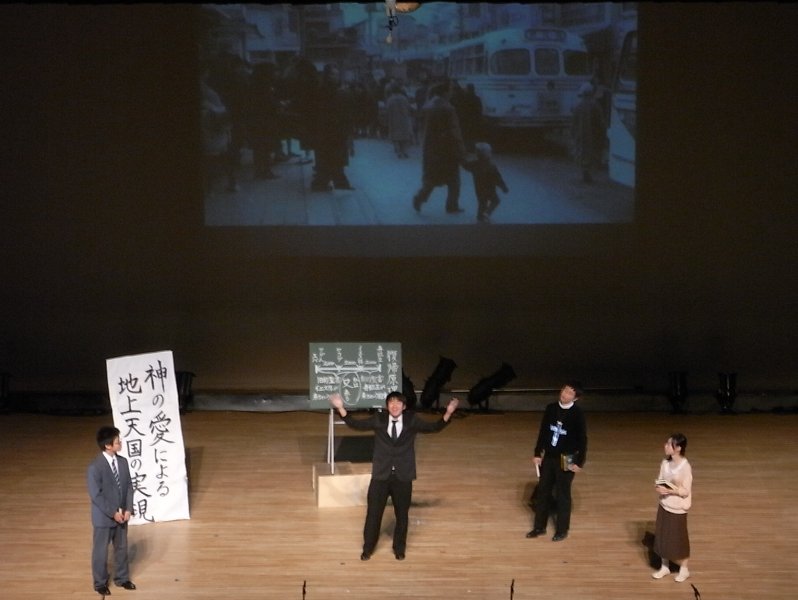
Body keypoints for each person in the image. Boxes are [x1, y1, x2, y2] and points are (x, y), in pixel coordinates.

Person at [329, 391, 459, 560]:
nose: (394, 405)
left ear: (404, 407)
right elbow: (357, 424)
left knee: (402, 515)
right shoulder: (379, 419)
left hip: (402, 476)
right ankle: (368, 548)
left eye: (398, 403)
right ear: (387, 406)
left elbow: (433, 427)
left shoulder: (411, 420)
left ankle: (399, 548)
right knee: (373, 514)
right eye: (391, 402)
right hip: (381, 476)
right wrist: (341, 408)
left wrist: (448, 412)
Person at [527, 382, 588, 542]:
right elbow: (543, 431)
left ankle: (562, 529)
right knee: (543, 491)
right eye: (564, 391)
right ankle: (539, 527)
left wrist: (579, 462)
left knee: (563, 494)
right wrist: (537, 452)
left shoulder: (577, 414)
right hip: (550, 456)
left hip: (567, 457)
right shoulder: (551, 408)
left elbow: (582, 439)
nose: (564, 394)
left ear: (576, 398)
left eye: (569, 393)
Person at [87, 426, 136, 595]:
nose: (120, 443)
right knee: (101, 552)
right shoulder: (95, 467)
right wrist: (113, 513)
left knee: (121, 548)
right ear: (108, 445)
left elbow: (129, 486)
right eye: (117, 441)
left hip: (122, 515)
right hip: (104, 518)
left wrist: (128, 509)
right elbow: (96, 495)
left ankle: (122, 578)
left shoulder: (122, 462)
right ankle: (100, 582)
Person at [412, 81, 466, 214]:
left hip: (430, 147)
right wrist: (461, 149)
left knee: (432, 177)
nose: (452, 93)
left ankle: (420, 197)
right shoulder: (448, 108)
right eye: (450, 90)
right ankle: (452, 206)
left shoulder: (428, 106)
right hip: (447, 148)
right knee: (454, 179)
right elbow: (454, 131)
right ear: (445, 92)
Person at [651, 433, 692, 583]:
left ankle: (684, 569)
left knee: (679, 538)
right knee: (662, 536)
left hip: (678, 507)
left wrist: (670, 490)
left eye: (669, 444)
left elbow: (685, 491)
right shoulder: (665, 463)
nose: (666, 446)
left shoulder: (685, 467)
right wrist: (659, 487)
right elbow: (660, 480)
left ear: (678, 448)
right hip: (665, 504)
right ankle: (664, 566)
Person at [462, 142, 509, 224]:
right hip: (490, 189)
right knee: (495, 200)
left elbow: (465, 166)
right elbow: (497, 178)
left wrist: (463, 158)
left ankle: (480, 216)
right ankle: (486, 213)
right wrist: (503, 187)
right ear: (488, 154)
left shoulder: (474, 164)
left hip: (479, 189)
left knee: (482, 203)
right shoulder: (491, 166)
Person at [570, 82, 606, 184]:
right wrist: (603, 134)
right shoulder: (595, 105)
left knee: (582, 152)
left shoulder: (577, 105)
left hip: (580, 134)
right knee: (593, 153)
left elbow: (573, 122)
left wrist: (573, 134)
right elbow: (600, 122)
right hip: (593, 134)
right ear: (590, 93)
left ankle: (585, 172)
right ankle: (589, 173)